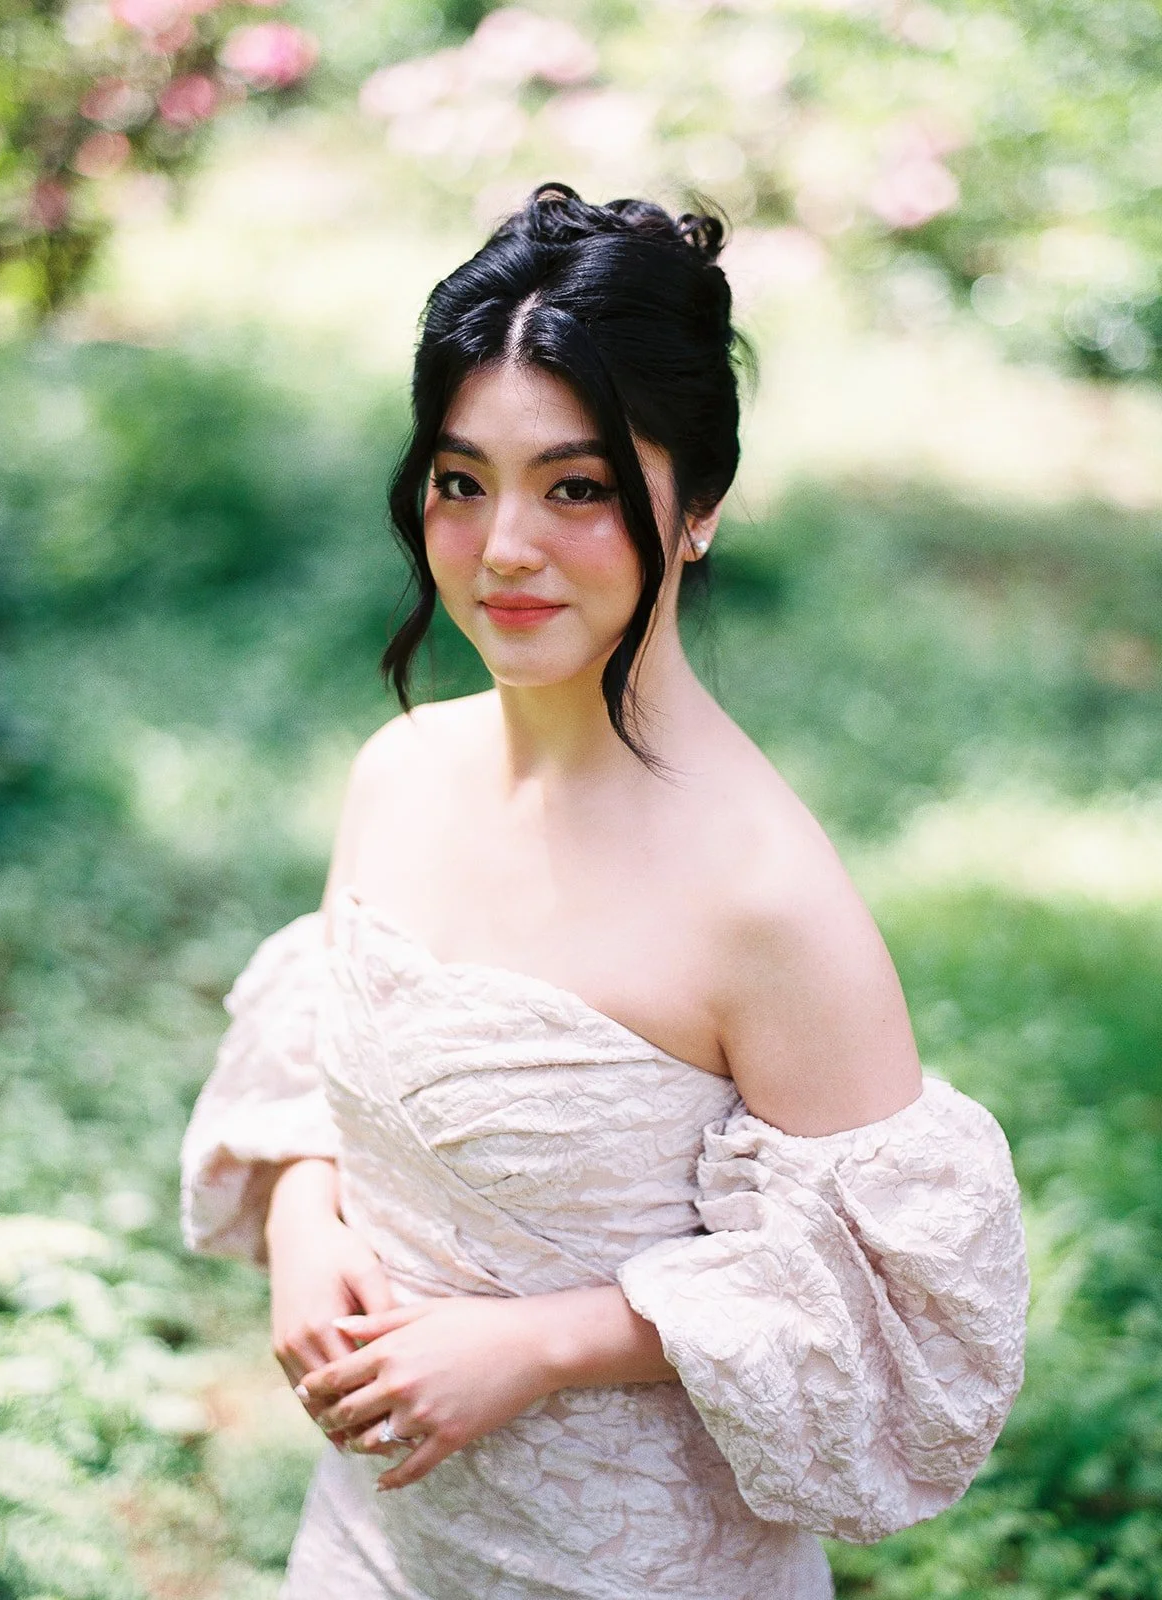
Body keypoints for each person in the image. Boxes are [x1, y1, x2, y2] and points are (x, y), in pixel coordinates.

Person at [180, 182, 1029, 1600]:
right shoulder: (396, 772)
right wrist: (301, 1219)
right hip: (376, 1541)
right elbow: (325, 1080)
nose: (504, 545)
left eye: (576, 487)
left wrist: (547, 1343)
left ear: (695, 510)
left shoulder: (765, 901)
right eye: (462, 481)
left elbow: (886, 1315)